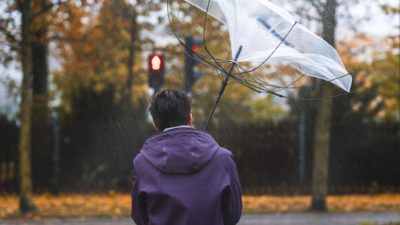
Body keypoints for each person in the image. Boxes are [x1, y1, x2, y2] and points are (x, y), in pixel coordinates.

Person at [131, 89, 242, 225]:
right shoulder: (223, 158)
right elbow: (233, 214)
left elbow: (140, 216)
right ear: (190, 118)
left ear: (155, 124)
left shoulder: (142, 163)